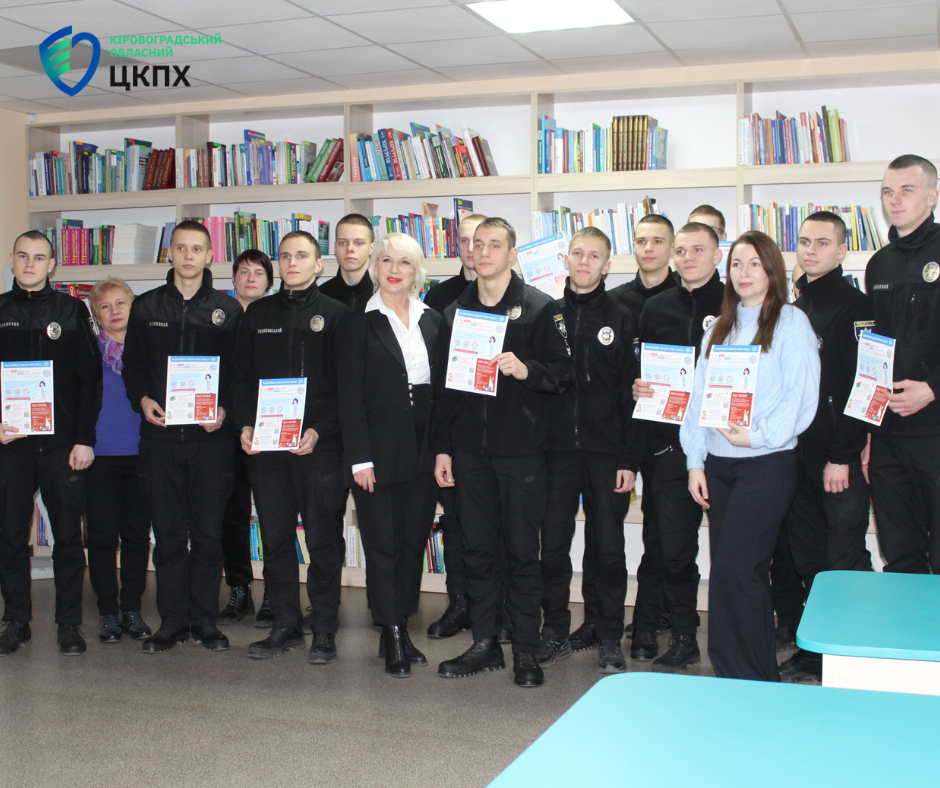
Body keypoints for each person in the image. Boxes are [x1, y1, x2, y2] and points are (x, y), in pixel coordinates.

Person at [432, 217, 574, 688]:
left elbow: (564, 374)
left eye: (495, 245)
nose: (485, 252)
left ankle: (527, 650)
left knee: (521, 553)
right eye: (478, 245)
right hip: (469, 453)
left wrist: (526, 369)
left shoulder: (540, 308)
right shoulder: (454, 313)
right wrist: (443, 450)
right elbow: (445, 391)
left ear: (512, 253)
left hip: (522, 453)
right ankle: (485, 642)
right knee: (477, 551)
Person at [681, 230, 820, 681]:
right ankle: (739, 674)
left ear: (772, 270)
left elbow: (801, 398)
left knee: (739, 570)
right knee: (731, 573)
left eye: (754, 264)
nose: (744, 273)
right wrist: (695, 461)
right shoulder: (718, 328)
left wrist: (756, 436)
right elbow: (697, 400)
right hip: (718, 466)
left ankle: (750, 678)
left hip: (767, 464)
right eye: (737, 264)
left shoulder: (791, 323)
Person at [122, 220, 242, 654]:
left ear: (210, 255)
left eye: (197, 249)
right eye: (180, 248)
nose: (188, 256)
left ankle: (206, 622)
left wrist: (226, 411)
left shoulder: (228, 310)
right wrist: (143, 400)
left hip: (211, 442)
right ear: (169, 253)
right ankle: (172, 622)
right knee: (169, 535)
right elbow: (133, 366)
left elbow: (240, 374)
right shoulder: (146, 306)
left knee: (208, 535)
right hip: (160, 439)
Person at [231, 231, 349, 663]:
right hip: (268, 448)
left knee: (323, 541)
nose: (292, 262)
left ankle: (324, 629)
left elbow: (345, 386)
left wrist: (319, 430)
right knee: (276, 538)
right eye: (285, 256)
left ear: (319, 264)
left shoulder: (336, 314)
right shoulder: (258, 313)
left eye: (302, 256)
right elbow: (241, 377)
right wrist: (245, 425)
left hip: (320, 448)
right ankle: (285, 625)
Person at [775, 211, 875, 683]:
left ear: (842, 250)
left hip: (836, 459)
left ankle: (854, 650)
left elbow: (866, 386)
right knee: (808, 555)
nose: (811, 250)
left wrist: (843, 455)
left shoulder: (857, 308)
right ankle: (816, 650)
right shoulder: (793, 308)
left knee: (844, 558)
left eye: (822, 242)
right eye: (804, 241)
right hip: (796, 455)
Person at [337, 233, 441, 677]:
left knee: (411, 542)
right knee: (382, 543)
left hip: (424, 448)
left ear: (417, 272)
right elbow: (349, 397)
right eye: (386, 261)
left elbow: (443, 391)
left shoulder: (433, 320)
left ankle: (398, 624)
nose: (394, 269)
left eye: (404, 262)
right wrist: (360, 458)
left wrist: (443, 450)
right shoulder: (356, 323)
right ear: (375, 268)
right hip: (377, 452)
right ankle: (392, 631)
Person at [536, 227, 639, 674]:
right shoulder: (547, 314)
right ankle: (555, 631)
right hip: (556, 453)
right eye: (577, 253)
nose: (584, 262)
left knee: (608, 548)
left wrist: (629, 459)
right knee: (554, 548)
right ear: (566, 259)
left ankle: (609, 633)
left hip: (606, 453)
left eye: (594, 256)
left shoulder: (622, 316)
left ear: (607, 265)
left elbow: (632, 394)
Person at [0, 231, 102, 657]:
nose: (30, 264)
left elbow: (89, 379)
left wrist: (84, 440)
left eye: (39, 257)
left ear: (52, 264)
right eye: (23, 256)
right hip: (12, 445)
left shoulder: (71, 310)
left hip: (62, 445)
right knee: (10, 537)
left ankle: (69, 623)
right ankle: (16, 620)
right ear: (11, 260)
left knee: (67, 537)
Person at [630, 222, 726, 671]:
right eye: (682, 251)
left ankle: (733, 636)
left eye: (698, 250)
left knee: (734, 552)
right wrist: (640, 387)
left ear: (717, 255)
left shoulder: (736, 303)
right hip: (670, 446)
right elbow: (644, 369)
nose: (688, 258)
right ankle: (685, 636)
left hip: (728, 446)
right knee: (673, 548)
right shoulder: (656, 307)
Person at [866, 154, 940, 575]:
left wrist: (932, 388)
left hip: (935, 427)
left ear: (932, 197)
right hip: (888, 433)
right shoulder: (880, 263)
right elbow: (874, 348)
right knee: (899, 552)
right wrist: (868, 429)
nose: (894, 200)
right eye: (887, 192)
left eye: (906, 190)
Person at [422, 213, 486, 640]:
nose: (472, 249)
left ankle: (494, 607)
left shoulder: (516, 296)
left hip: (499, 434)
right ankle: (459, 602)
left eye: (480, 240)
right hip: (453, 430)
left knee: (499, 528)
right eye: (464, 241)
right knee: (456, 525)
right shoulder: (440, 296)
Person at [85, 278, 153, 644]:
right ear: (96, 315)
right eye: (105, 306)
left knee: (136, 537)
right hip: (98, 458)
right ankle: (108, 613)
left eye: (121, 303)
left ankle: (131, 609)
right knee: (101, 538)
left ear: (133, 306)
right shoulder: (87, 351)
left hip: (142, 456)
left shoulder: (148, 350)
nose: (114, 311)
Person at [218, 250, 275, 627]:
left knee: (273, 515)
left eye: (259, 273)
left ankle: (274, 593)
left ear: (270, 281)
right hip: (224, 430)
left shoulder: (276, 316)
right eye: (243, 271)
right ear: (233, 277)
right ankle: (239, 589)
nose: (250, 278)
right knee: (232, 514)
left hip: (269, 427)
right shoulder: (217, 316)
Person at [608, 214, 676, 323]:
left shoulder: (687, 298)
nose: (648, 248)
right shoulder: (613, 301)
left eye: (657, 241)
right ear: (634, 247)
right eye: (641, 242)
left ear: (673, 248)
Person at [318, 213, 375, 313]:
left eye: (359, 243)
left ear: (371, 248)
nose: (350, 248)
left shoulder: (383, 294)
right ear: (335, 247)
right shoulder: (320, 296)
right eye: (343, 242)